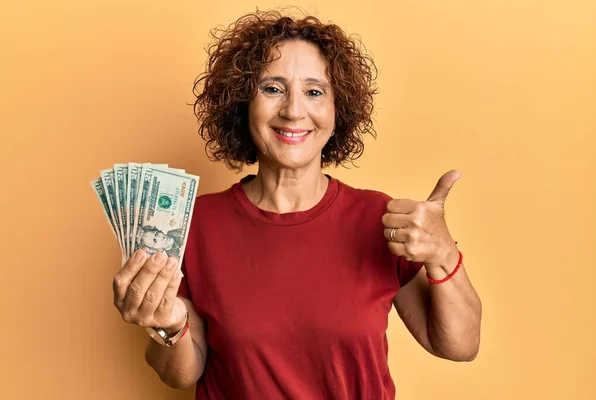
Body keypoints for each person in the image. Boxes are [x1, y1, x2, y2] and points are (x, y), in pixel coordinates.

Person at [112, 9, 482, 399]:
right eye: (272, 88)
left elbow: (459, 345)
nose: (293, 110)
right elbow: (183, 374)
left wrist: (443, 255)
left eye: (314, 91)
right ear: (243, 103)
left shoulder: (379, 217)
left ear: (338, 110)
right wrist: (170, 325)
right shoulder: (196, 222)